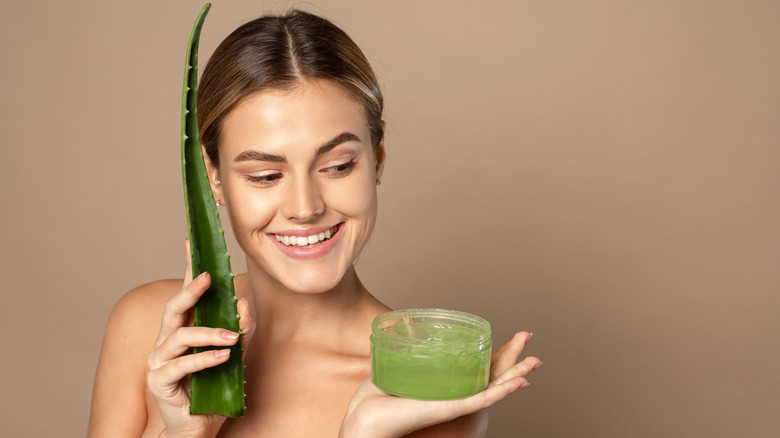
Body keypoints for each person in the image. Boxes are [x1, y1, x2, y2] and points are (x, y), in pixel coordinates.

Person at [88, 9, 541, 438]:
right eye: (266, 176)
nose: (305, 207)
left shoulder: (421, 383)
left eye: (338, 166)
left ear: (377, 160)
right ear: (215, 182)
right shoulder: (146, 328)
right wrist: (182, 433)